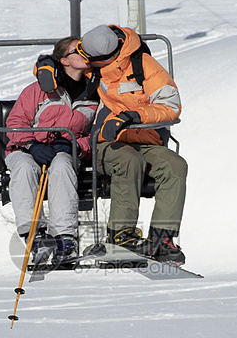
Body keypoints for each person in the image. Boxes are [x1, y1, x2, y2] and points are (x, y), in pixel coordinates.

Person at [75, 24, 188, 264]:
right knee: (129, 160)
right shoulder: (89, 58)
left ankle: (162, 239)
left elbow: (170, 106)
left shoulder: (144, 66)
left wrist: (134, 116)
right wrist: (45, 66)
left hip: (146, 140)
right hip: (108, 143)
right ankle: (120, 235)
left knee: (175, 165)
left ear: (111, 56)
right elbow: (61, 59)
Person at [5, 36, 98, 264]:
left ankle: (65, 237)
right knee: (25, 168)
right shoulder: (39, 90)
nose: (85, 53)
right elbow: (15, 122)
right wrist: (31, 145)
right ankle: (33, 235)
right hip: (25, 149)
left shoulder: (94, 92)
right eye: (78, 50)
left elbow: (97, 133)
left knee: (63, 165)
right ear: (64, 60)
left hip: (64, 152)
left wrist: (75, 145)